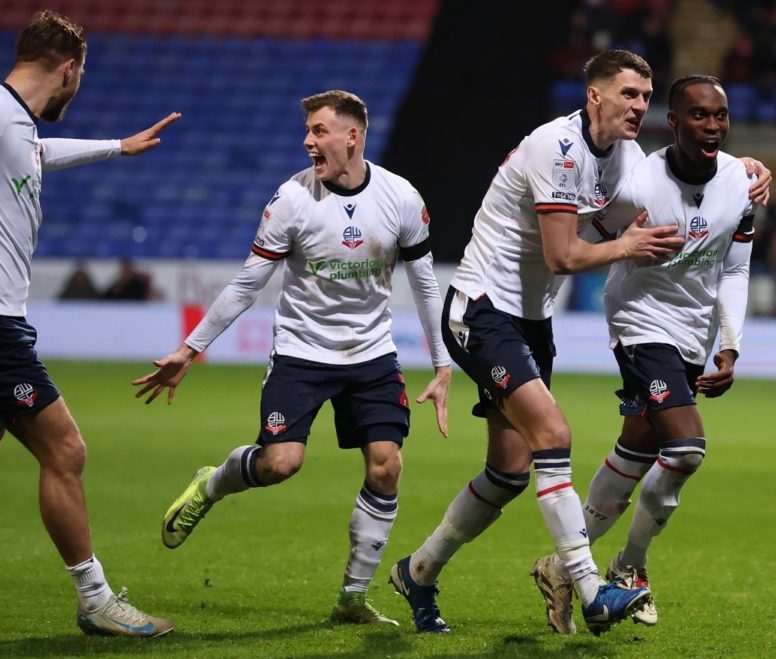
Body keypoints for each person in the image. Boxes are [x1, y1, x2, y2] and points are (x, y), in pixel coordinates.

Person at [386, 51, 771, 636]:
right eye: (628, 94)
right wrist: (626, 248)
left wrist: (738, 167)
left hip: (531, 321)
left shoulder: (626, 160)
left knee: (509, 471)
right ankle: (592, 588)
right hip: (480, 308)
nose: (639, 106)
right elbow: (565, 255)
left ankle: (419, 570)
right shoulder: (554, 147)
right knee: (554, 435)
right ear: (594, 96)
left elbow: (662, 191)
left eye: (645, 96)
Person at [132, 90, 451, 626]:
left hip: (371, 354)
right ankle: (213, 482)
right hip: (302, 353)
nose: (307, 140)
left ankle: (351, 598)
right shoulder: (291, 201)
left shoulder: (400, 197)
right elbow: (245, 285)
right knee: (281, 464)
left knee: (387, 465)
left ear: (352, 136)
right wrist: (190, 350)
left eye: (319, 130)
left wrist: (442, 364)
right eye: (307, 130)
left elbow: (424, 284)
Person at [532, 74, 760, 633]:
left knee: (638, 450)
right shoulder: (636, 183)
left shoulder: (742, 183)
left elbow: (735, 267)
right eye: (699, 116)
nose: (712, 126)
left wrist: (729, 343)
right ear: (674, 123)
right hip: (638, 324)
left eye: (721, 116)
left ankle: (561, 567)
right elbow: (583, 237)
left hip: (692, 335)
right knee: (685, 449)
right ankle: (630, 567)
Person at [0, 10, 179, 637]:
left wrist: (116, 146)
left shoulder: (14, 125)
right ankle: (97, 599)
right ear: (69, 69)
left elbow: (40, 152)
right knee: (66, 450)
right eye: (82, 77)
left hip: (7, 322)